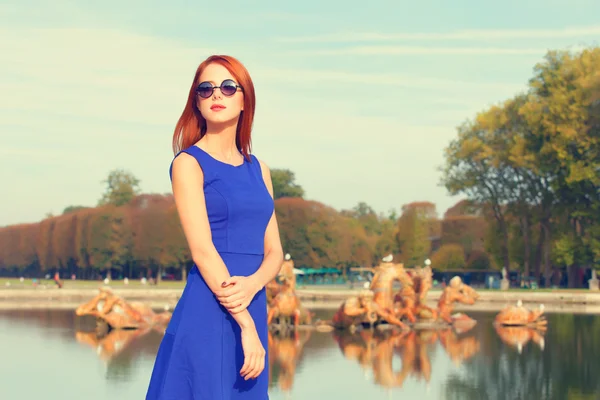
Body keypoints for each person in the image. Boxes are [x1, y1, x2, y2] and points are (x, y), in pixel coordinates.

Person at [146, 55, 284, 399]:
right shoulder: (188, 164)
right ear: (196, 101)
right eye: (205, 89)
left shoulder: (260, 169)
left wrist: (251, 285)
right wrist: (246, 324)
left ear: (244, 99)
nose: (215, 95)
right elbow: (203, 251)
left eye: (227, 87)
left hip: (250, 299)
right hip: (209, 308)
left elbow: (275, 252)